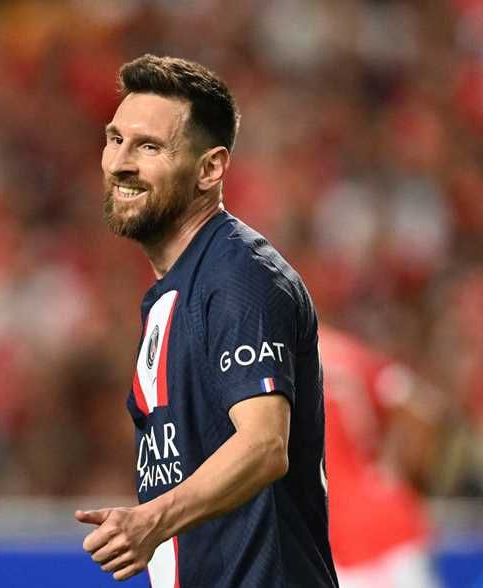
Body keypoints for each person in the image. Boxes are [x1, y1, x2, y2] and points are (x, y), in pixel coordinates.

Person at [75, 55, 338, 587]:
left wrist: (151, 520)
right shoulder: (173, 293)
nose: (120, 163)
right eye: (115, 139)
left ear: (210, 169)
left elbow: (264, 445)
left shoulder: (240, 275)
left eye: (149, 147)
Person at [320, 325, 441, 587]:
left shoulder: (267, 363)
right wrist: (390, 475)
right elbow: (421, 407)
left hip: (350, 536)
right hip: (376, 527)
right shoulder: (345, 353)